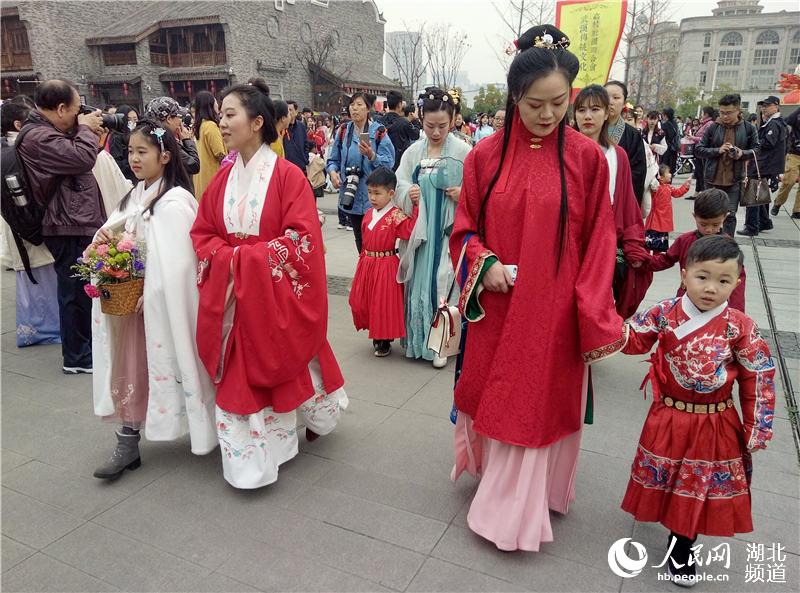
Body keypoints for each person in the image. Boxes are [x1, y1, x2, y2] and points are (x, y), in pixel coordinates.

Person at [450, 26, 624, 552]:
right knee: (501, 393)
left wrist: (590, 310)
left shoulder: (587, 158)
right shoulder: (484, 156)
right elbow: (463, 230)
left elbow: (600, 240)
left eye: (558, 103)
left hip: (555, 308)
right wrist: (485, 263)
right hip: (501, 301)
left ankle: (517, 509)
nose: (547, 116)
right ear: (514, 99)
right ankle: (503, 490)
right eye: (534, 105)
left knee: (533, 403)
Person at [190, 82, 348, 489]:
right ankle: (249, 458)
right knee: (241, 372)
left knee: (284, 360)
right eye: (220, 115)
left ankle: (279, 442)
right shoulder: (222, 181)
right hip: (234, 296)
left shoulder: (287, 177)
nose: (221, 123)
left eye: (230, 115)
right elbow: (203, 231)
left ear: (257, 122)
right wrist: (232, 260)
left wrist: (248, 259)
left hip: (270, 293)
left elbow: (302, 237)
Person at [621, 234, 774, 586]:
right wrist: (594, 319)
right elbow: (631, 339)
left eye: (723, 281)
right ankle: (673, 528)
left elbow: (759, 376)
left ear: (737, 281)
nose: (711, 288)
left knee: (696, 486)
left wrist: (756, 426)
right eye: (702, 277)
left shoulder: (741, 326)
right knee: (668, 478)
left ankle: (682, 548)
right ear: (684, 274)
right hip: (669, 415)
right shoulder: (663, 313)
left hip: (715, 420)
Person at [91, 119, 217, 480]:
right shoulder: (133, 196)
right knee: (131, 368)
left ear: (164, 155)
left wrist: (153, 290)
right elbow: (110, 231)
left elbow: (180, 263)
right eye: (130, 151)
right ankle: (127, 442)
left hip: (162, 306)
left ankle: (208, 427)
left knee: (178, 362)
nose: (133, 158)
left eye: (141, 151)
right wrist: (100, 259)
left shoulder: (176, 201)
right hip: (131, 305)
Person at [16, 79, 104, 374]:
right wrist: (85, 129)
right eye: (78, 111)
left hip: (71, 220)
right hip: (66, 224)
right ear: (62, 108)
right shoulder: (38, 137)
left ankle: (85, 351)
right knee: (74, 292)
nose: (81, 116)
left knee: (80, 290)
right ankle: (77, 358)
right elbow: (81, 157)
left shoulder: (46, 132)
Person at [395, 87, 471, 368]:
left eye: (442, 125)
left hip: (448, 231)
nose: (436, 132)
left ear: (453, 120)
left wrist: (463, 193)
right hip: (422, 233)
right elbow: (399, 182)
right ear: (421, 120)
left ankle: (442, 344)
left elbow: (479, 190)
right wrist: (409, 192)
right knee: (419, 282)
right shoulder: (414, 152)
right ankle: (417, 340)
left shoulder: (464, 151)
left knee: (445, 281)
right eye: (430, 126)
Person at [573, 84, 651, 319]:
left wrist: (632, 242)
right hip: (570, 239)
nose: (588, 116)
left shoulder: (618, 156)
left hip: (605, 240)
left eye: (595, 109)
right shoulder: (563, 153)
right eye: (581, 110)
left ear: (607, 113)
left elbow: (627, 204)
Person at [0, 101, 60, 347]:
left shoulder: (9, 150)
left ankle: (38, 326)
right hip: (28, 224)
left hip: (18, 223)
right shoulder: (16, 152)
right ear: (17, 124)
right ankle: (47, 327)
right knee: (42, 274)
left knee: (36, 275)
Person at [349, 167, 418, 357]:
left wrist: (417, 205)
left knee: (382, 302)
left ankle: (383, 340)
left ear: (391, 193)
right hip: (367, 261)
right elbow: (363, 240)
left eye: (377, 193)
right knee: (365, 301)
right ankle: (375, 333)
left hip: (386, 263)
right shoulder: (369, 214)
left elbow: (410, 230)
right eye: (370, 192)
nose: (372, 197)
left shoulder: (396, 215)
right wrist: (361, 260)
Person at [648, 188, 746, 311]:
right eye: (703, 224)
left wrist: (736, 313)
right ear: (695, 217)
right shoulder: (684, 240)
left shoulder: (729, 248)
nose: (709, 230)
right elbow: (665, 259)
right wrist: (643, 261)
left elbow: (737, 281)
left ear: (725, 217)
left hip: (716, 303)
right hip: (687, 299)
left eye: (715, 225)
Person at [326, 92, 395, 252]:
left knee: (375, 241)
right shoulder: (343, 131)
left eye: (359, 105)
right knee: (360, 238)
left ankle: (374, 273)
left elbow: (389, 162)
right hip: (352, 194)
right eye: (352, 105)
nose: (354, 109)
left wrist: (372, 155)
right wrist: (333, 173)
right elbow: (333, 160)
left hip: (375, 197)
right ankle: (365, 272)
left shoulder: (378, 132)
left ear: (368, 108)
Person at [695, 94, 759, 236]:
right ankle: (708, 244)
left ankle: (727, 247)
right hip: (712, 179)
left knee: (730, 216)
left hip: (734, 180)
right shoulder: (712, 127)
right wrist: (718, 150)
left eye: (729, 113)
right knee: (709, 215)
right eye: (722, 113)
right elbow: (699, 149)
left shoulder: (748, 128)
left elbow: (757, 150)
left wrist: (742, 153)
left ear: (738, 110)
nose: (725, 116)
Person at [739, 96, 787, 236]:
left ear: (776, 106)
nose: (763, 108)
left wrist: (754, 142)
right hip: (766, 163)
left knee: (753, 194)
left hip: (763, 163)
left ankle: (752, 226)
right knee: (761, 194)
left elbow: (768, 143)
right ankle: (764, 222)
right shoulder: (773, 122)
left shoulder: (775, 124)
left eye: (767, 105)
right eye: (762, 106)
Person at [605, 81, 647, 206]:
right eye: (606, 97)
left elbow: (638, 172)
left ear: (624, 103)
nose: (610, 102)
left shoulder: (632, 135)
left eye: (616, 98)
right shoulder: (591, 129)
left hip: (619, 198)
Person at [143, 96, 201, 182]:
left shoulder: (148, 138)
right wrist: (187, 140)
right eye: (179, 116)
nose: (181, 120)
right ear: (169, 119)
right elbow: (193, 165)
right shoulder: (166, 142)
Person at [645, 164, 691, 252]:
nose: (670, 174)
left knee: (658, 245)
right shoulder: (655, 188)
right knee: (650, 243)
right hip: (655, 221)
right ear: (661, 177)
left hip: (663, 221)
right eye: (668, 172)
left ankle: (655, 260)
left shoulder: (669, 187)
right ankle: (649, 259)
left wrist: (686, 186)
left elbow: (678, 193)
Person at [192, 90, 226, 200]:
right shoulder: (211, 126)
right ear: (210, 105)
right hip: (213, 178)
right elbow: (220, 154)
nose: (217, 105)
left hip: (201, 180)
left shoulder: (199, 126)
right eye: (215, 102)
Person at [772, 106, 800, 219]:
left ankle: (797, 210)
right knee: (789, 181)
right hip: (794, 152)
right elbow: (786, 120)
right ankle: (778, 203)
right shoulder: (798, 114)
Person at [381, 90, 418, 171]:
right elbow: (415, 135)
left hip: (383, 163)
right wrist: (415, 120)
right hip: (401, 164)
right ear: (400, 105)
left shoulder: (379, 121)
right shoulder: (404, 122)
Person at [687, 106, 716, 199]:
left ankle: (704, 194)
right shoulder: (703, 124)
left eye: (702, 113)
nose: (701, 115)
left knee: (702, 173)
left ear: (706, 114)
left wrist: (693, 138)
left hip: (703, 152)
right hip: (698, 152)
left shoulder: (710, 124)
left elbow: (705, 139)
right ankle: (697, 192)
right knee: (698, 173)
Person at [108, 104, 139, 184]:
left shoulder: (139, 136)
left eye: (135, 119)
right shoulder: (116, 138)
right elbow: (116, 164)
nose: (132, 123)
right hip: (126, 180)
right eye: (129, 120)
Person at [284, 100, 309, 172]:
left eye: (290, 110)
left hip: (300, 167)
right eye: (286, 110)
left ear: (296, 112)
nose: (288, 112)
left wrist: (305, 159)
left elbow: (305, 144)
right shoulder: (282, 127)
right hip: (287, 167)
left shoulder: (301, 126)